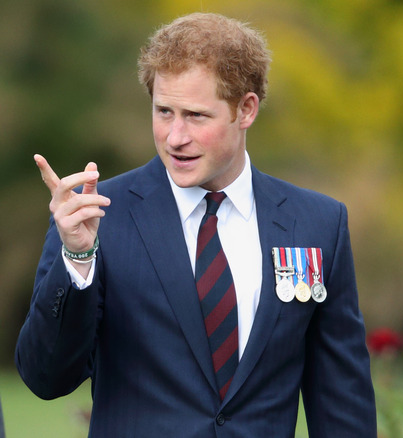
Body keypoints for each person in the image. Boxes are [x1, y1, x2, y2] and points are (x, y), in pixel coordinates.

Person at [16, 12, 376, 437]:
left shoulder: (317, 223)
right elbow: (45, 377)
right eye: (164, 111)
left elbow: (342, 405)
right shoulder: (95, 218)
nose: (175, 136)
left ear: (245, 110)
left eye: (196, 116)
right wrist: (77, 257)